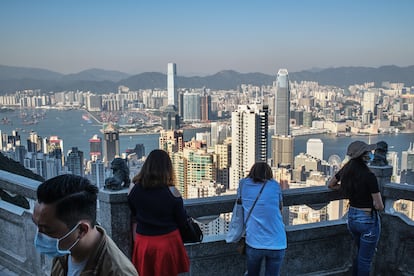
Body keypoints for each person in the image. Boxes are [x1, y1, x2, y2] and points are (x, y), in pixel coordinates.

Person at [32, 174, 138, 276]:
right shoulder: (64, 251)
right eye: (37, 226)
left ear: (82, 230)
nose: (39, 236)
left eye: (48, 231)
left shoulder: (118, 272)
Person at [128, 149, 190, 276]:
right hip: (167, 242)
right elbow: (182, 221)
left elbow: (134, 212)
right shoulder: (172, 191)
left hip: (143, 242)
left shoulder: (134, 189)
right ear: (167, 168)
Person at [328, 140, 384, 276]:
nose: (370, 154)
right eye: (368, 152)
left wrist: (347, 188)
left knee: (359, 254)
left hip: (352, 218)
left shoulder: (346, 171)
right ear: (363, 156)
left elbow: (331, 184)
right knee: (365, 260)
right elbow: (379, 205)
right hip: (367, 220)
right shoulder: (369, 176)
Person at [240, 162, 287, 276]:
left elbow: (240, 203)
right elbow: (280, 208)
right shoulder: (275, 185)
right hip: (277, 242)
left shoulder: (243, 184)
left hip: (254, 242)